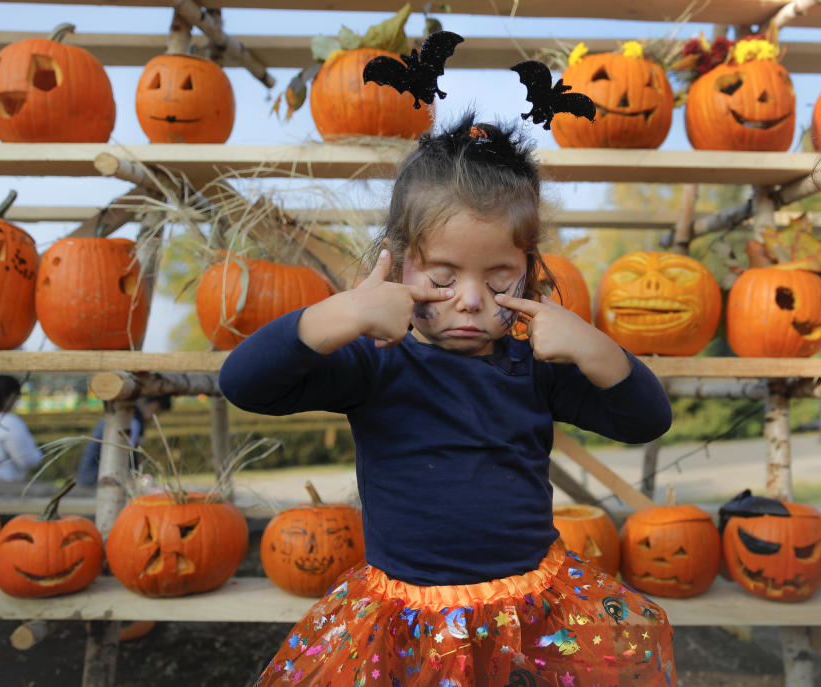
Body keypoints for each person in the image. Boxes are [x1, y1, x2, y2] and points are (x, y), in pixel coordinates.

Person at [219, 112, 677, 686]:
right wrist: (343, 313)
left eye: (499, 277)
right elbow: (245, 384)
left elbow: (646, 420)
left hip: (529, 612)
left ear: (529, 271)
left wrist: (598, 349)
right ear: (398, 260)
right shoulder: (374, 363)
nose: (469, 299)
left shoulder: (535, 366)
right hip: (408, 620)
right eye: (441, 275)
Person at [75, 395, 172, 486]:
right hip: (97, 479)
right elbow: (129, 457)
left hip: (91, 475)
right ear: (154, 407)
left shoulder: (127, 415)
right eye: (158, 414)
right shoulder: (132, 421)